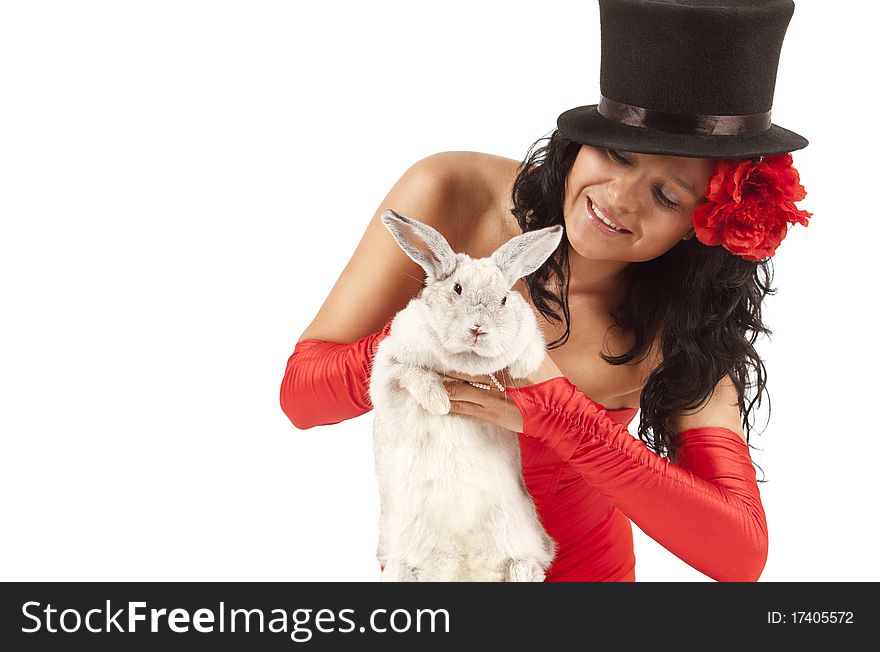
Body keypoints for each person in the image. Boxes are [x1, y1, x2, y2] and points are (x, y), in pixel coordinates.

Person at [279, 0, 811, 582]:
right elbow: (300, 398)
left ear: (701, 226)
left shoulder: (680, 328)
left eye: (666, 196)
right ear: (582, 143)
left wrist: (563, 414)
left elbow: (740, 556)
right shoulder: (454, 193)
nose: (619, 197)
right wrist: (440, 330)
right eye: (617, 153)